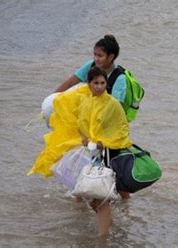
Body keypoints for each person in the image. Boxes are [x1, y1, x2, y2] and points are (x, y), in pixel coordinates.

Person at [29, 67, 133, 237]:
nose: (99, 86)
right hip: (92, 154)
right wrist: (85, 138)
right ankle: (108, 227)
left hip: (109, 154)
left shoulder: (112, 104)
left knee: (100, 198)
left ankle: (103, 239)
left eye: (102, 83)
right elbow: (81, 124)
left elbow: (121, 129)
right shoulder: (86, 102)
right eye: (95, 83)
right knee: (92, 196)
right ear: (89, 84)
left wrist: (103, 142)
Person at [55, 34, 128, 107]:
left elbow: (115, 108)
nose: (96, 59)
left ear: (111, 57)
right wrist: (53, 98)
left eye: (100, 56)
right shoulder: (91, 65)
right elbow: (70, 82)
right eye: (95, 55)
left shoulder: (119, 78)